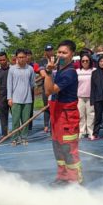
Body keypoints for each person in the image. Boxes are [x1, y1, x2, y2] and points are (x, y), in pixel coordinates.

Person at [40, 40, 81, 185]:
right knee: (57, 146)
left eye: (65, 52)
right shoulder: (60, 69)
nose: (61, 55)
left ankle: (74, 179)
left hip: (67, 116)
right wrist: (50, 72)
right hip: (57, 114)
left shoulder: (69, 73)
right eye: (59, 52)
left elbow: (49, 90)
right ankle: (63, 175)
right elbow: (46, 90)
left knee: (68, 148)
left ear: (72, 54)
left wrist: (49, 72)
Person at [7, 48, 35, 146]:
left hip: (27, 99)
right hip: (15, 100)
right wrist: (9, 98)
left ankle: (24, 137)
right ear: (16, 58)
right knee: (15, 120)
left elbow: (32, 84)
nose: (21, 59)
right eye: (19, 57)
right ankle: (15, 138)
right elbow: (9, 84)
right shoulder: (12, 69)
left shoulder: (30, 69)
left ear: (26, 57)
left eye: (23, 57)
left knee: (25, 121)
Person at [76, 53, 94, 139]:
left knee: (91, 115)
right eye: (83, 61)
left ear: (90, 61)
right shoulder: (77, 71)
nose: (85, 62)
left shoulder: (94, 70)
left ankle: (91, 132)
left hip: (91, 96)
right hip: (80, 96)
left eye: (87, 60)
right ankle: (82, 131)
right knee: (81, 115)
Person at [0, 52, 11, 139]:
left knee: (15, 115)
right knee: (3, 116)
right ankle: (4, 133)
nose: (2, 61)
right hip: (2, 96)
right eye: (0, 60)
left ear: (7, 59)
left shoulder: (12, 69)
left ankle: (17, 132)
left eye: (4, 60)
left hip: (12, 96)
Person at [38, 45, 54, 132]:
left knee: (55, 106)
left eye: (51, 50)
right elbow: (42, 73)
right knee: (46, 106)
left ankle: (53, 124)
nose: (49, 52)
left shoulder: (58, 60)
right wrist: (49, 70)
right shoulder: (42, 61)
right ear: (45, 51)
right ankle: (46, 125)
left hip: (56, 86)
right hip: (46, 87)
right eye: (48, 50)